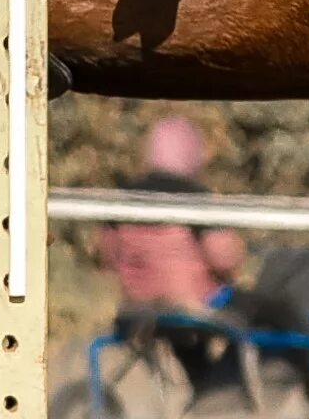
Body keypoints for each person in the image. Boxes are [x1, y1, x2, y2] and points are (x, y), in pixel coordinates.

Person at [90, 116, 246, 341]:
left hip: (135, 307)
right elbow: (224, 258)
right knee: (274, 311)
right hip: (192, 307)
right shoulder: (196, 199)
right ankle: (305, 369)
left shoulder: (123, 200)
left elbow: (106, 257)